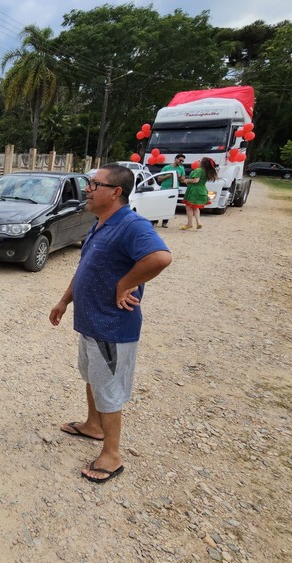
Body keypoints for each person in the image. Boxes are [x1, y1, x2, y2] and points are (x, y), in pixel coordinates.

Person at [49, 164, 172, 484]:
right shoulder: (101, 223)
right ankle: (93, 425)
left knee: (109, 389)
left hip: (112, 328)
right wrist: (65, 300)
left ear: (116, 192)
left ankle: (112, 454)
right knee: (92, 377)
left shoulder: (131, 224)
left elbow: (160, 257)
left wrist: (125, 284)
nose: (87, 189)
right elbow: (85, 268)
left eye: (94, 184)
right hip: (90, 324)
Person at [181, 157, 218, 230]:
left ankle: (189, 224)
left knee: (189, 207)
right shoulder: (206, 171)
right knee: (196, 207)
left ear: (203, 163)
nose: (199, 161)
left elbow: (196, 180)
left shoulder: (198, 170)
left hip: (194, 190)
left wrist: (187, 180)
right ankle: (198, 222)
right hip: (202, 189)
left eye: (200, 161)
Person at [157, 154, 186, 228]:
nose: (181, 162)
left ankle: (165, 222)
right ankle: (155, 220)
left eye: (182, 161)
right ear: (175, 159)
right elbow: (159, 178)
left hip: (174, 189)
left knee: (169, 206)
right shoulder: (166, 167)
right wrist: (169, 175)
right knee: (160, 205)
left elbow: (183, 180)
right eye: (180, 160)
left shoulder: (181, 168)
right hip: (164, 188)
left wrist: (179, 177)